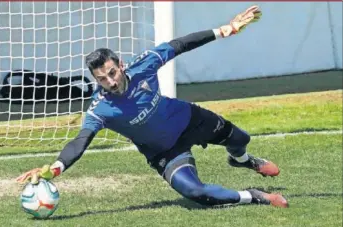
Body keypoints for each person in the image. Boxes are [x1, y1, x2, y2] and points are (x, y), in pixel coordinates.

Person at [17, 5, 288, 208]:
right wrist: (54, 169)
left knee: (242, 138)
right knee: (196, 194)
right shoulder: (99, 108)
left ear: (120, 65)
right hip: (165, 152)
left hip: (190, 119)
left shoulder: (144, 64)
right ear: (95, 79)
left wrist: (224, 30)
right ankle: (255, 196)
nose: (110, 81)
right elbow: (80, 142)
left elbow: (180, 45)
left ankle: (242, 160)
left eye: (112, 73)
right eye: (102, 78)